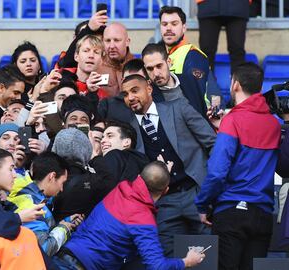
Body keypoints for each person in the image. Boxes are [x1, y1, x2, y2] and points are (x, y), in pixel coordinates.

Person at [195, 63, 281, 270]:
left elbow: (217, 172)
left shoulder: (232, 121)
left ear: (235, 85)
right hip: (263, 215)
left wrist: (202, 204)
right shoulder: (274, 123)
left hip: (232, 213)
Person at [121, 74, 216, 256]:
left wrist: (211, 188)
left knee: (209, 257)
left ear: (149, 88)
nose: (130, 97)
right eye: (125, 94)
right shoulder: (129, 129)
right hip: (164, 203)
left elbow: (212, 144)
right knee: (167, 259)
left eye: (135, 90)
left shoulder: (178, 107)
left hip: (197, 192)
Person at [53, 161, 205, 270]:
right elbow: (157, 266)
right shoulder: (143, 220)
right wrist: (186, 262)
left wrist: (159, 170)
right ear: (165, 191)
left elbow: (149, 178)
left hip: (63, 255)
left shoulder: (120, 189)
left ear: (139, 177)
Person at [8, 152, 84, 256]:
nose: (62, 189)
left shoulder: (28, 194)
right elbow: (43, 249)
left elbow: (41, 230)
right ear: (52, 177)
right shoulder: (32, 206)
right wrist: (63, 229)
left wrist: (66, 222)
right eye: (62, 183)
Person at [51, 128, 115, 221]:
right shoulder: (93, 181)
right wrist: (95, 157)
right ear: (87, 152)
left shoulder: (47, 178)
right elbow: (111, 184)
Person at [158, 6, 209, 117]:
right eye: (164, 24)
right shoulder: (160, 55)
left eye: (174, 24)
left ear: (184, 27)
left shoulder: (193, 55)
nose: (168, 28)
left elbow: (196, 101)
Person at [197, 0, 250, 72]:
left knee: (237, 50)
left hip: (238, 6)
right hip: (208, 5)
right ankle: (206, 82)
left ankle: (238, 82)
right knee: (206, 52)